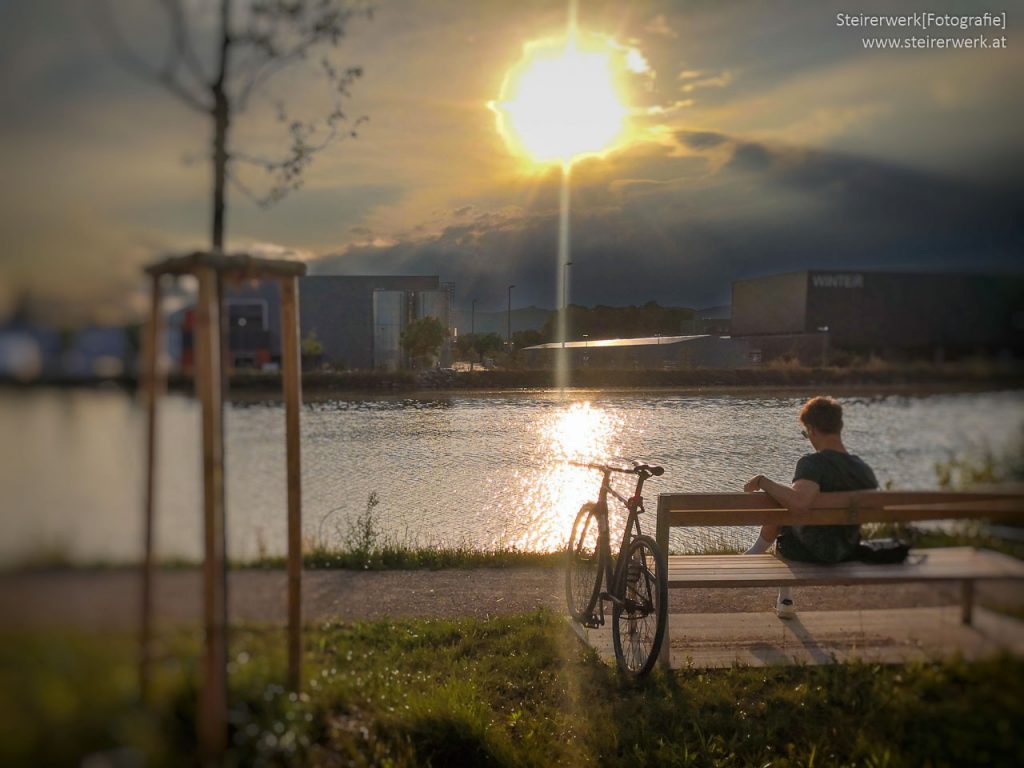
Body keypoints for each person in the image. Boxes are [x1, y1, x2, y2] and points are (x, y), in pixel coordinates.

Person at [743, 396, 878, 619]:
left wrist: (762, 481)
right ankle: (764, 569)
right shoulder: (862, 469)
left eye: (806, 434)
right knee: (788, 498)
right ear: (840, 427)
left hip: (808, 552)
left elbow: (799, 503)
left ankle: (774, 583)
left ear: (813, 430)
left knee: (783, 501)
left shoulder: (812, 463)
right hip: (848, 549)